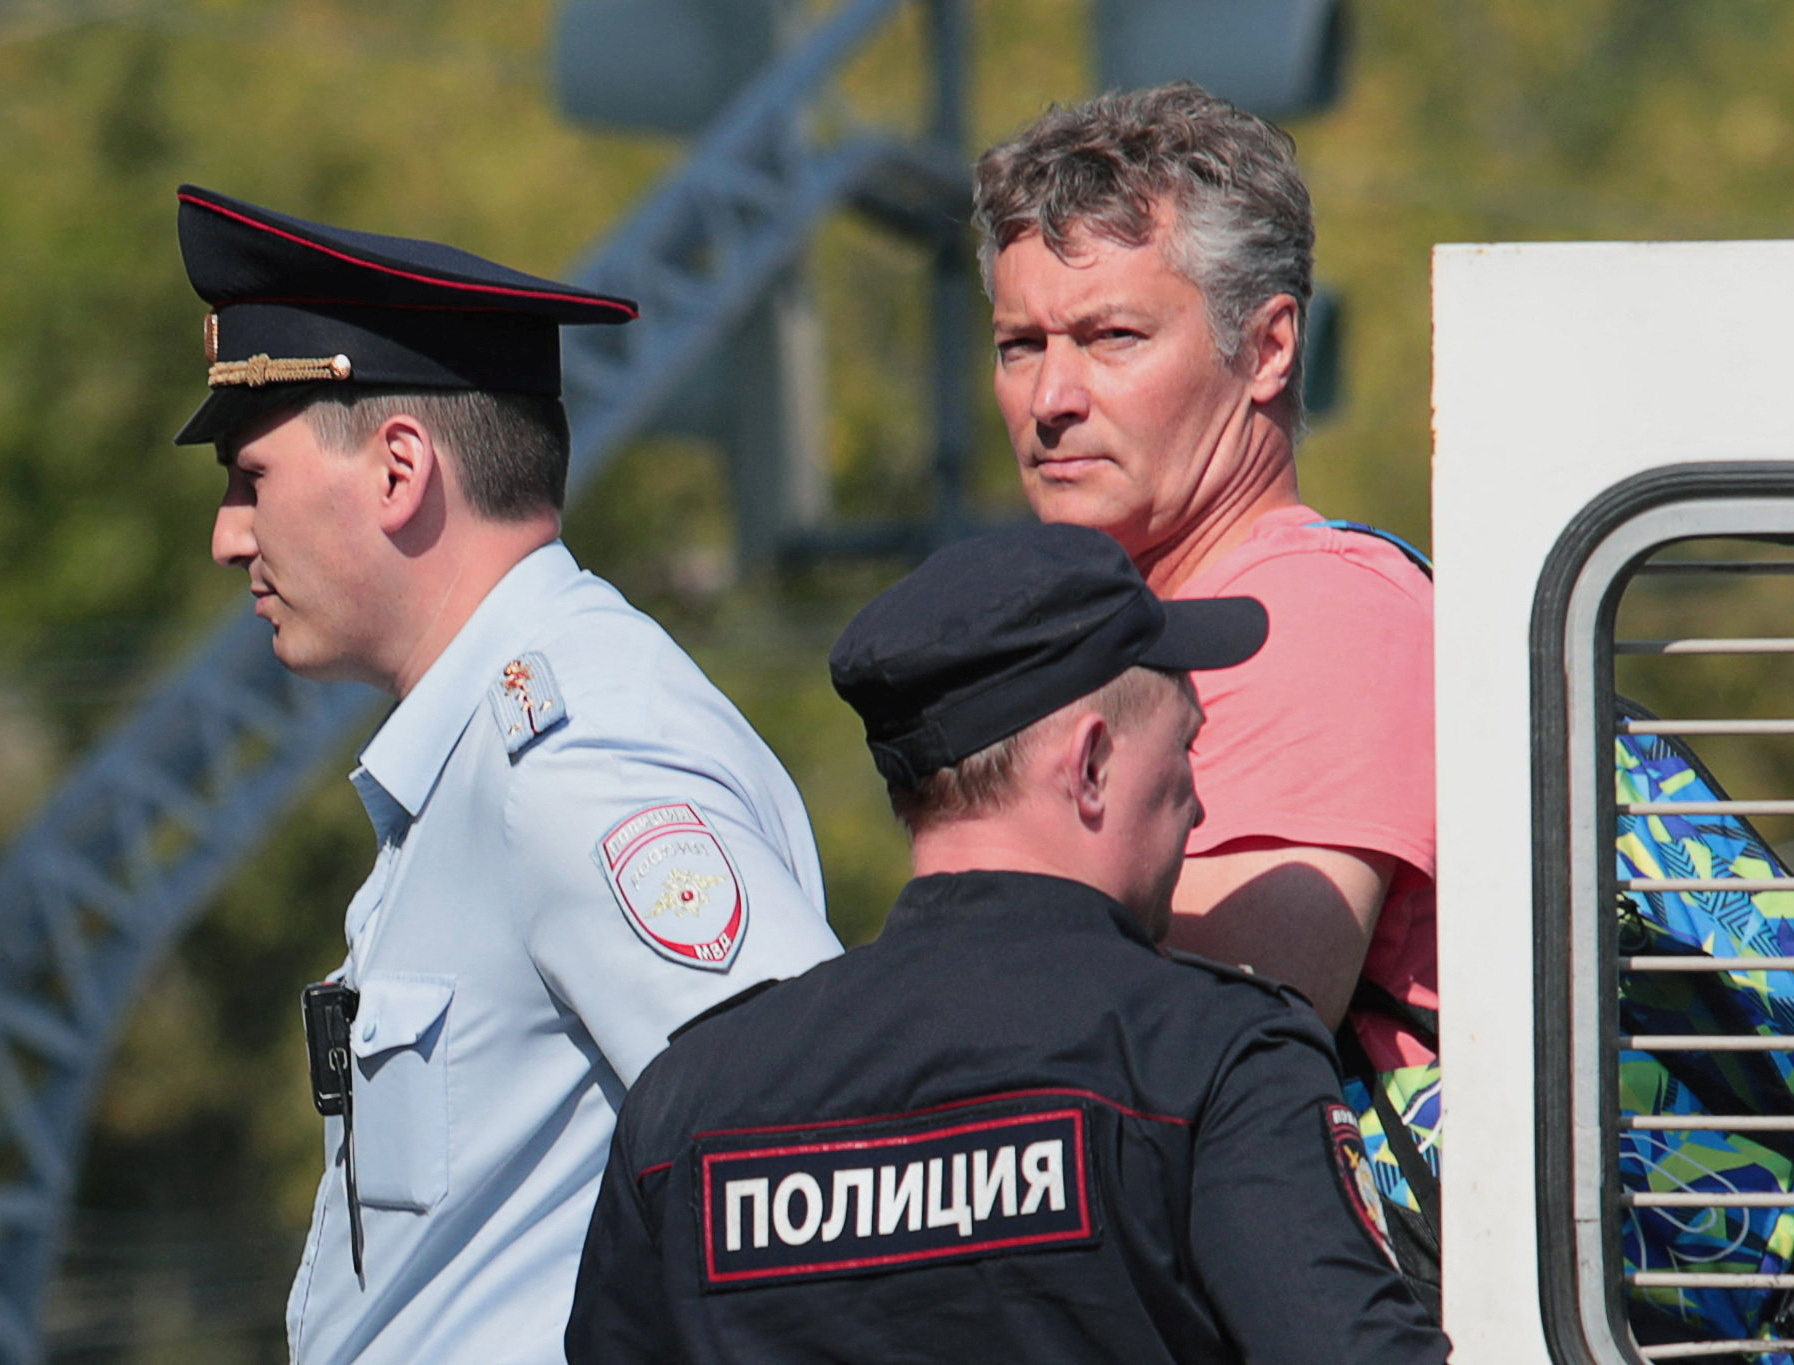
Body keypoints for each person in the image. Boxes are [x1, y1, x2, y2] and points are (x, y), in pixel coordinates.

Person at [173, 185, 843, 1364]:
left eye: (252, 477)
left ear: (398, 470)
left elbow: (810, 1163)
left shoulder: (578, 754)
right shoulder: (493, 744)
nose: (230, 535)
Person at [564, 522, 1452, 1365]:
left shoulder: (688, 1106)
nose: (1198, 804)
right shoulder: (1215, 1061)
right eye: (1186, 748)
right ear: (1092, 764)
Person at [971, 80, 1434, 1065]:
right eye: (1021, 346)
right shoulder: (1138, 631)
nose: (1050, 398)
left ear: (1267, 348)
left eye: (1111, 337)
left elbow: (1210, 1042)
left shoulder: (1317, 615)